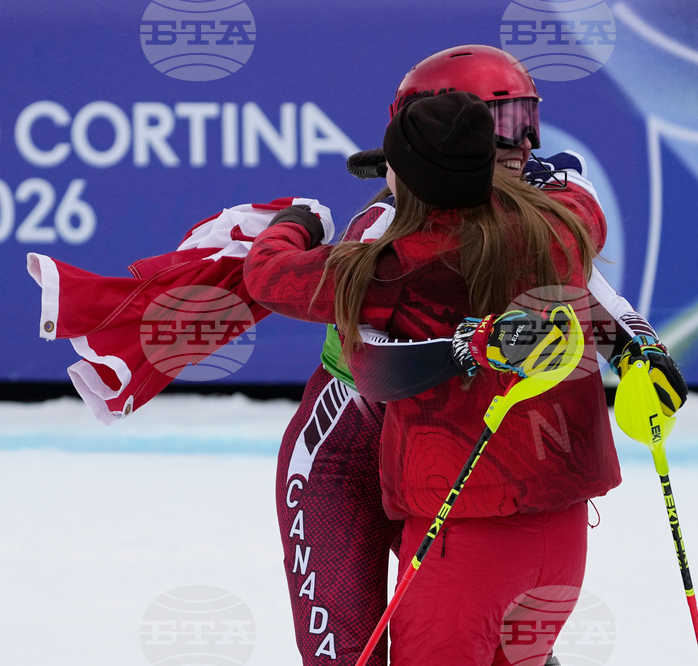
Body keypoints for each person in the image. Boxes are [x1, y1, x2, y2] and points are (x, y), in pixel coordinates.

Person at [267, 45, 686, 666]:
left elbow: (587, 285)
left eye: (526, 119)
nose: (522, 146)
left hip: (444, 464)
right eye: (498, 126)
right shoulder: (392, 234)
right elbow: (370, 363)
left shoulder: (550, 202)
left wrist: (636, 348)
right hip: (348, 453)